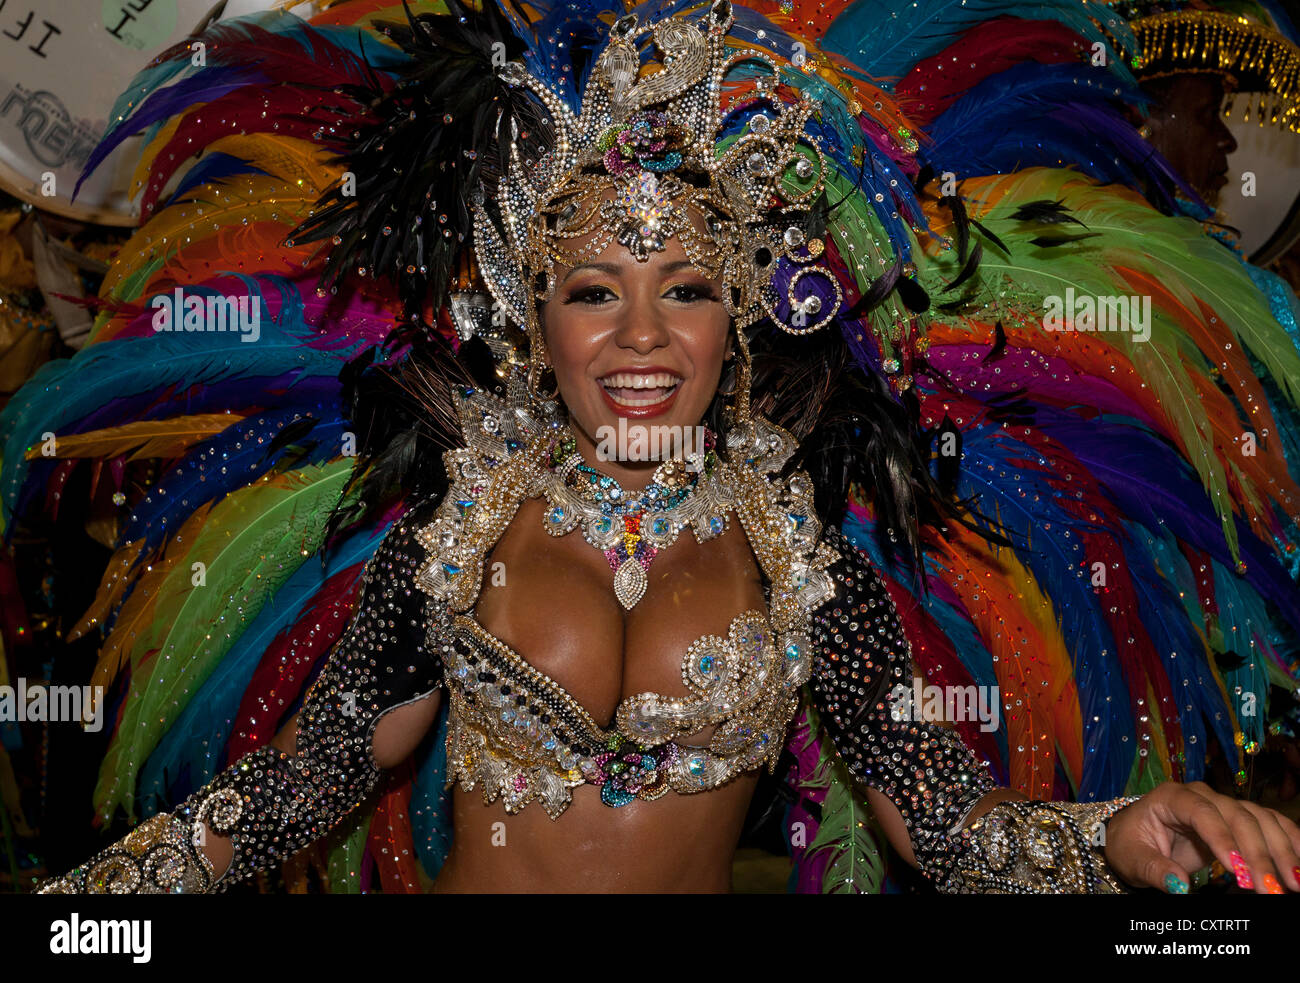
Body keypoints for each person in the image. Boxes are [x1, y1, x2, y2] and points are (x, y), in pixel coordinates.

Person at [12, 0, 1300, 894]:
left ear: (736, 323)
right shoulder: (450, 541)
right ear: (536, 326)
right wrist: (104, 915)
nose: (642, 336)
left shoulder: (808, 566)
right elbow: (309, 777)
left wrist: (1121, 836)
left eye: (684, 288)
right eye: (593, 291)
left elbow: (948, 835)